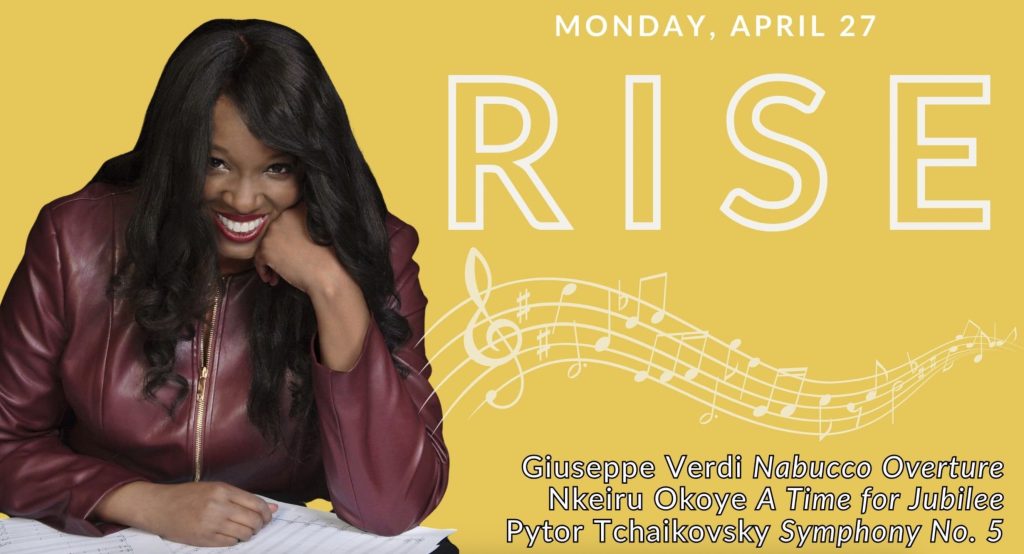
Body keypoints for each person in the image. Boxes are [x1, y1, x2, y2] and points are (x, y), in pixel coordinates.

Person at [0, 18, 449, 548]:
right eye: (214, 162)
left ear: (312, 166)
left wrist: (332, 288)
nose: (241, 199)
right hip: (109, 536)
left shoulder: (374, 251)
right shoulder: (75, 239)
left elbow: (394, 504)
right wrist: (143, 501)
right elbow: (8, 441)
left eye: (277, 169)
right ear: (176, 152)